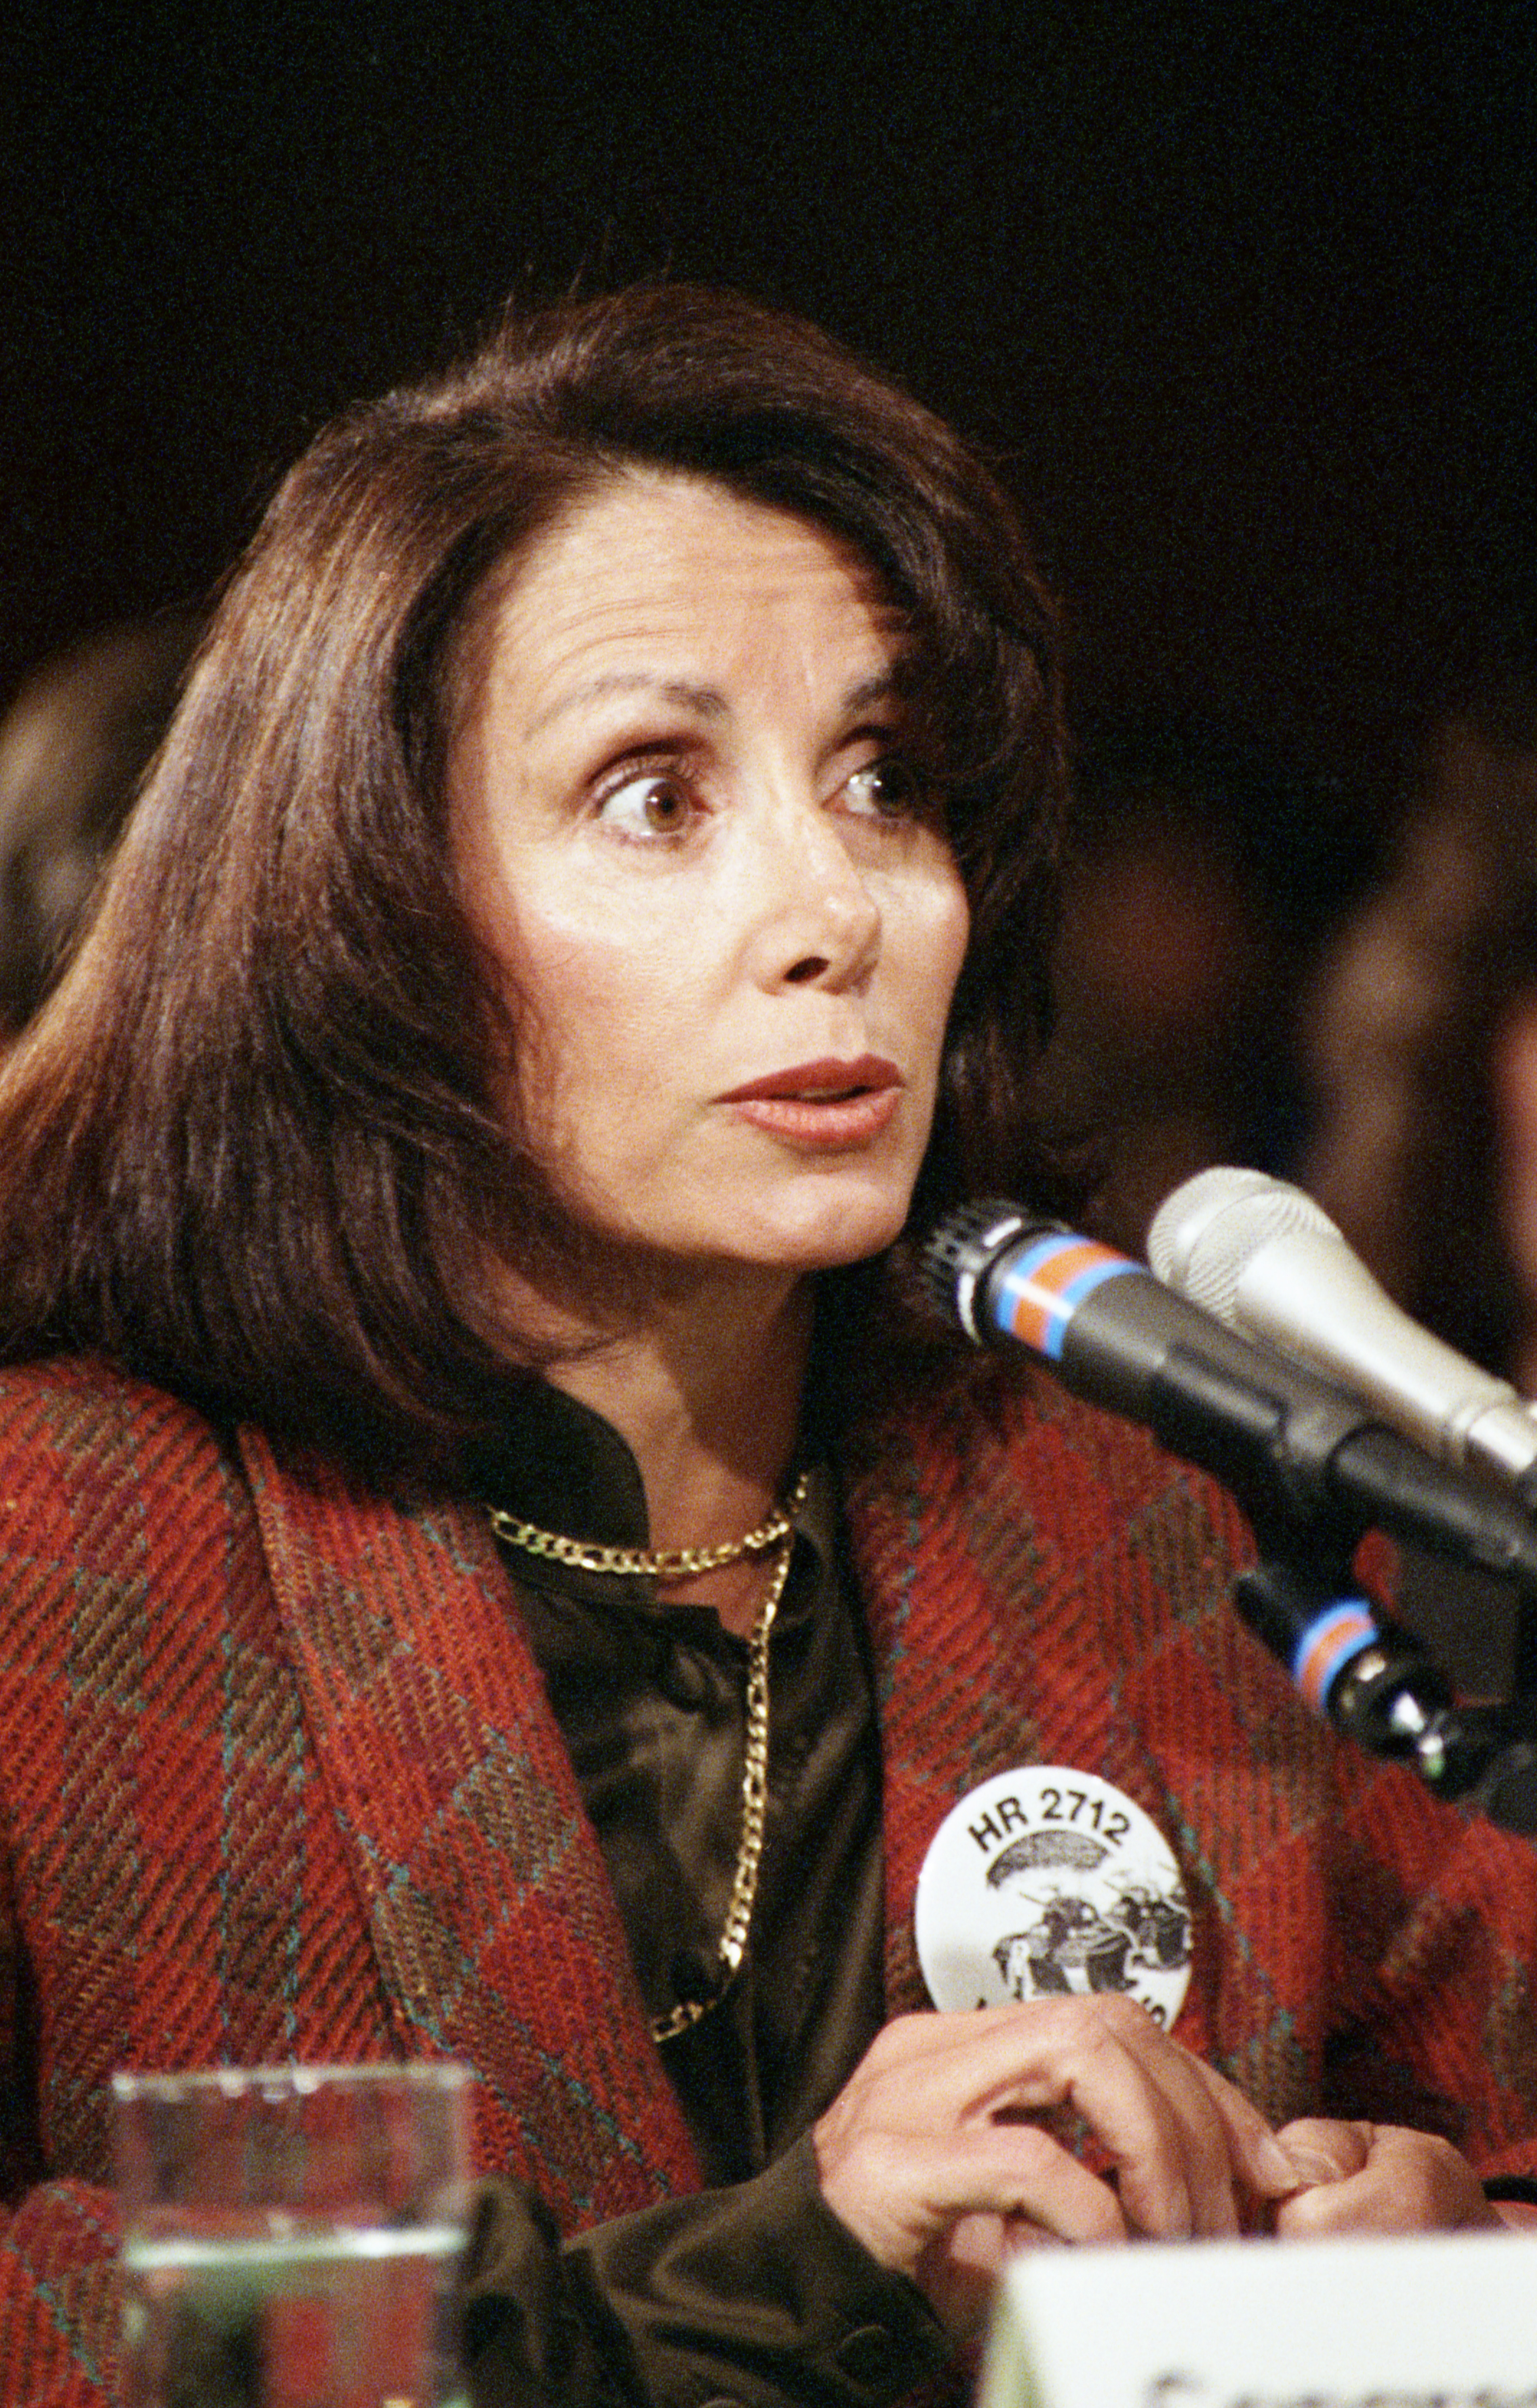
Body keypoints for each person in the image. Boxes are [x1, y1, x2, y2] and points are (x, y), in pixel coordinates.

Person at [0, 287, 1533, 2408]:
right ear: (370, 909)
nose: (838, 906)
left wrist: (1447, 2247)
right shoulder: (67, 1546)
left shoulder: (1142, 1511)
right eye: (655, 793)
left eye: (886, 778)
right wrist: (786, 2262)